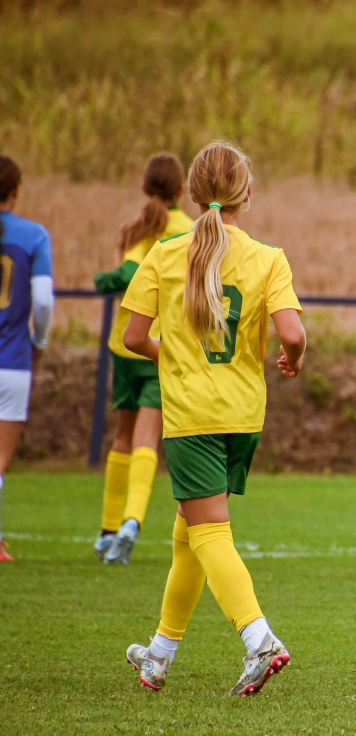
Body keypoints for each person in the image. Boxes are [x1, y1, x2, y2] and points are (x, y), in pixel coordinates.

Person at [120, 141, 306, 696]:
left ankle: (259, 639)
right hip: (244, 416)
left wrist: (174, 355)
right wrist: (292, 359)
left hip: (192, 416)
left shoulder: (165, 253)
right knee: (190, 532)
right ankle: (160, 653)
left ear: (194, 195)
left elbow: (133, 337)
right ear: (247, 193)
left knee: (209, 533)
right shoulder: (269, 257)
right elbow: (294, 334)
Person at [94, 153, 193, 564]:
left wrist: (105, 280)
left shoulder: (138, 227)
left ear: (143, 188)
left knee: (122, 436)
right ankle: (132, 521)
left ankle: (107, 530)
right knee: (147, 440)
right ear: (182, 190)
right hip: (161, 346)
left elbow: (129, 272)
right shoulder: (190, 230)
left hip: (125, 344)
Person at [0, 157, 55, 563]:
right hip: (12, 359)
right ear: (16, 192)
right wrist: (40, 339)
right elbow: (42, 300)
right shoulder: (34, 235)